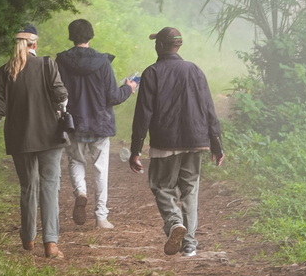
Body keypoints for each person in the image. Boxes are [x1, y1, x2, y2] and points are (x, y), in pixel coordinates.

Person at [0, 23, 70, 259]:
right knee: (49, 186)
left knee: (28, 187)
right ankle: (51, 244)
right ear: (34, 43)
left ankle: (28, 238)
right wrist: (59, 111)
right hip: (49, 136)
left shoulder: (2, 73)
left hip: (19, 138)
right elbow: (62, 97)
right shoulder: (47, 65)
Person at [129, 26, 224, 257]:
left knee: (163, 187)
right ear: (178, 46)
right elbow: (208, 108)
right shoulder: (195, 70)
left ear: (160, 46)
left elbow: (144, 114)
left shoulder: (152, 73)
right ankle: (189, 243)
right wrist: (216, 143)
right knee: (190, 189)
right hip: (195, 140)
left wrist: (136, 149)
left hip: (165, 142)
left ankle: (174, 223)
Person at [56, 19, 137, 229]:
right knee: (100, 169)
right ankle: (101, 217)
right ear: (90, 36)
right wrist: (128, 88)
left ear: (71, 36)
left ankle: (80, 192)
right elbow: (112, 96)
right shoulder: (103, 63)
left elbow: (56, 93)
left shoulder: (61, 62)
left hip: (73, 123)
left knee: (76, 161)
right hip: (99, 124)